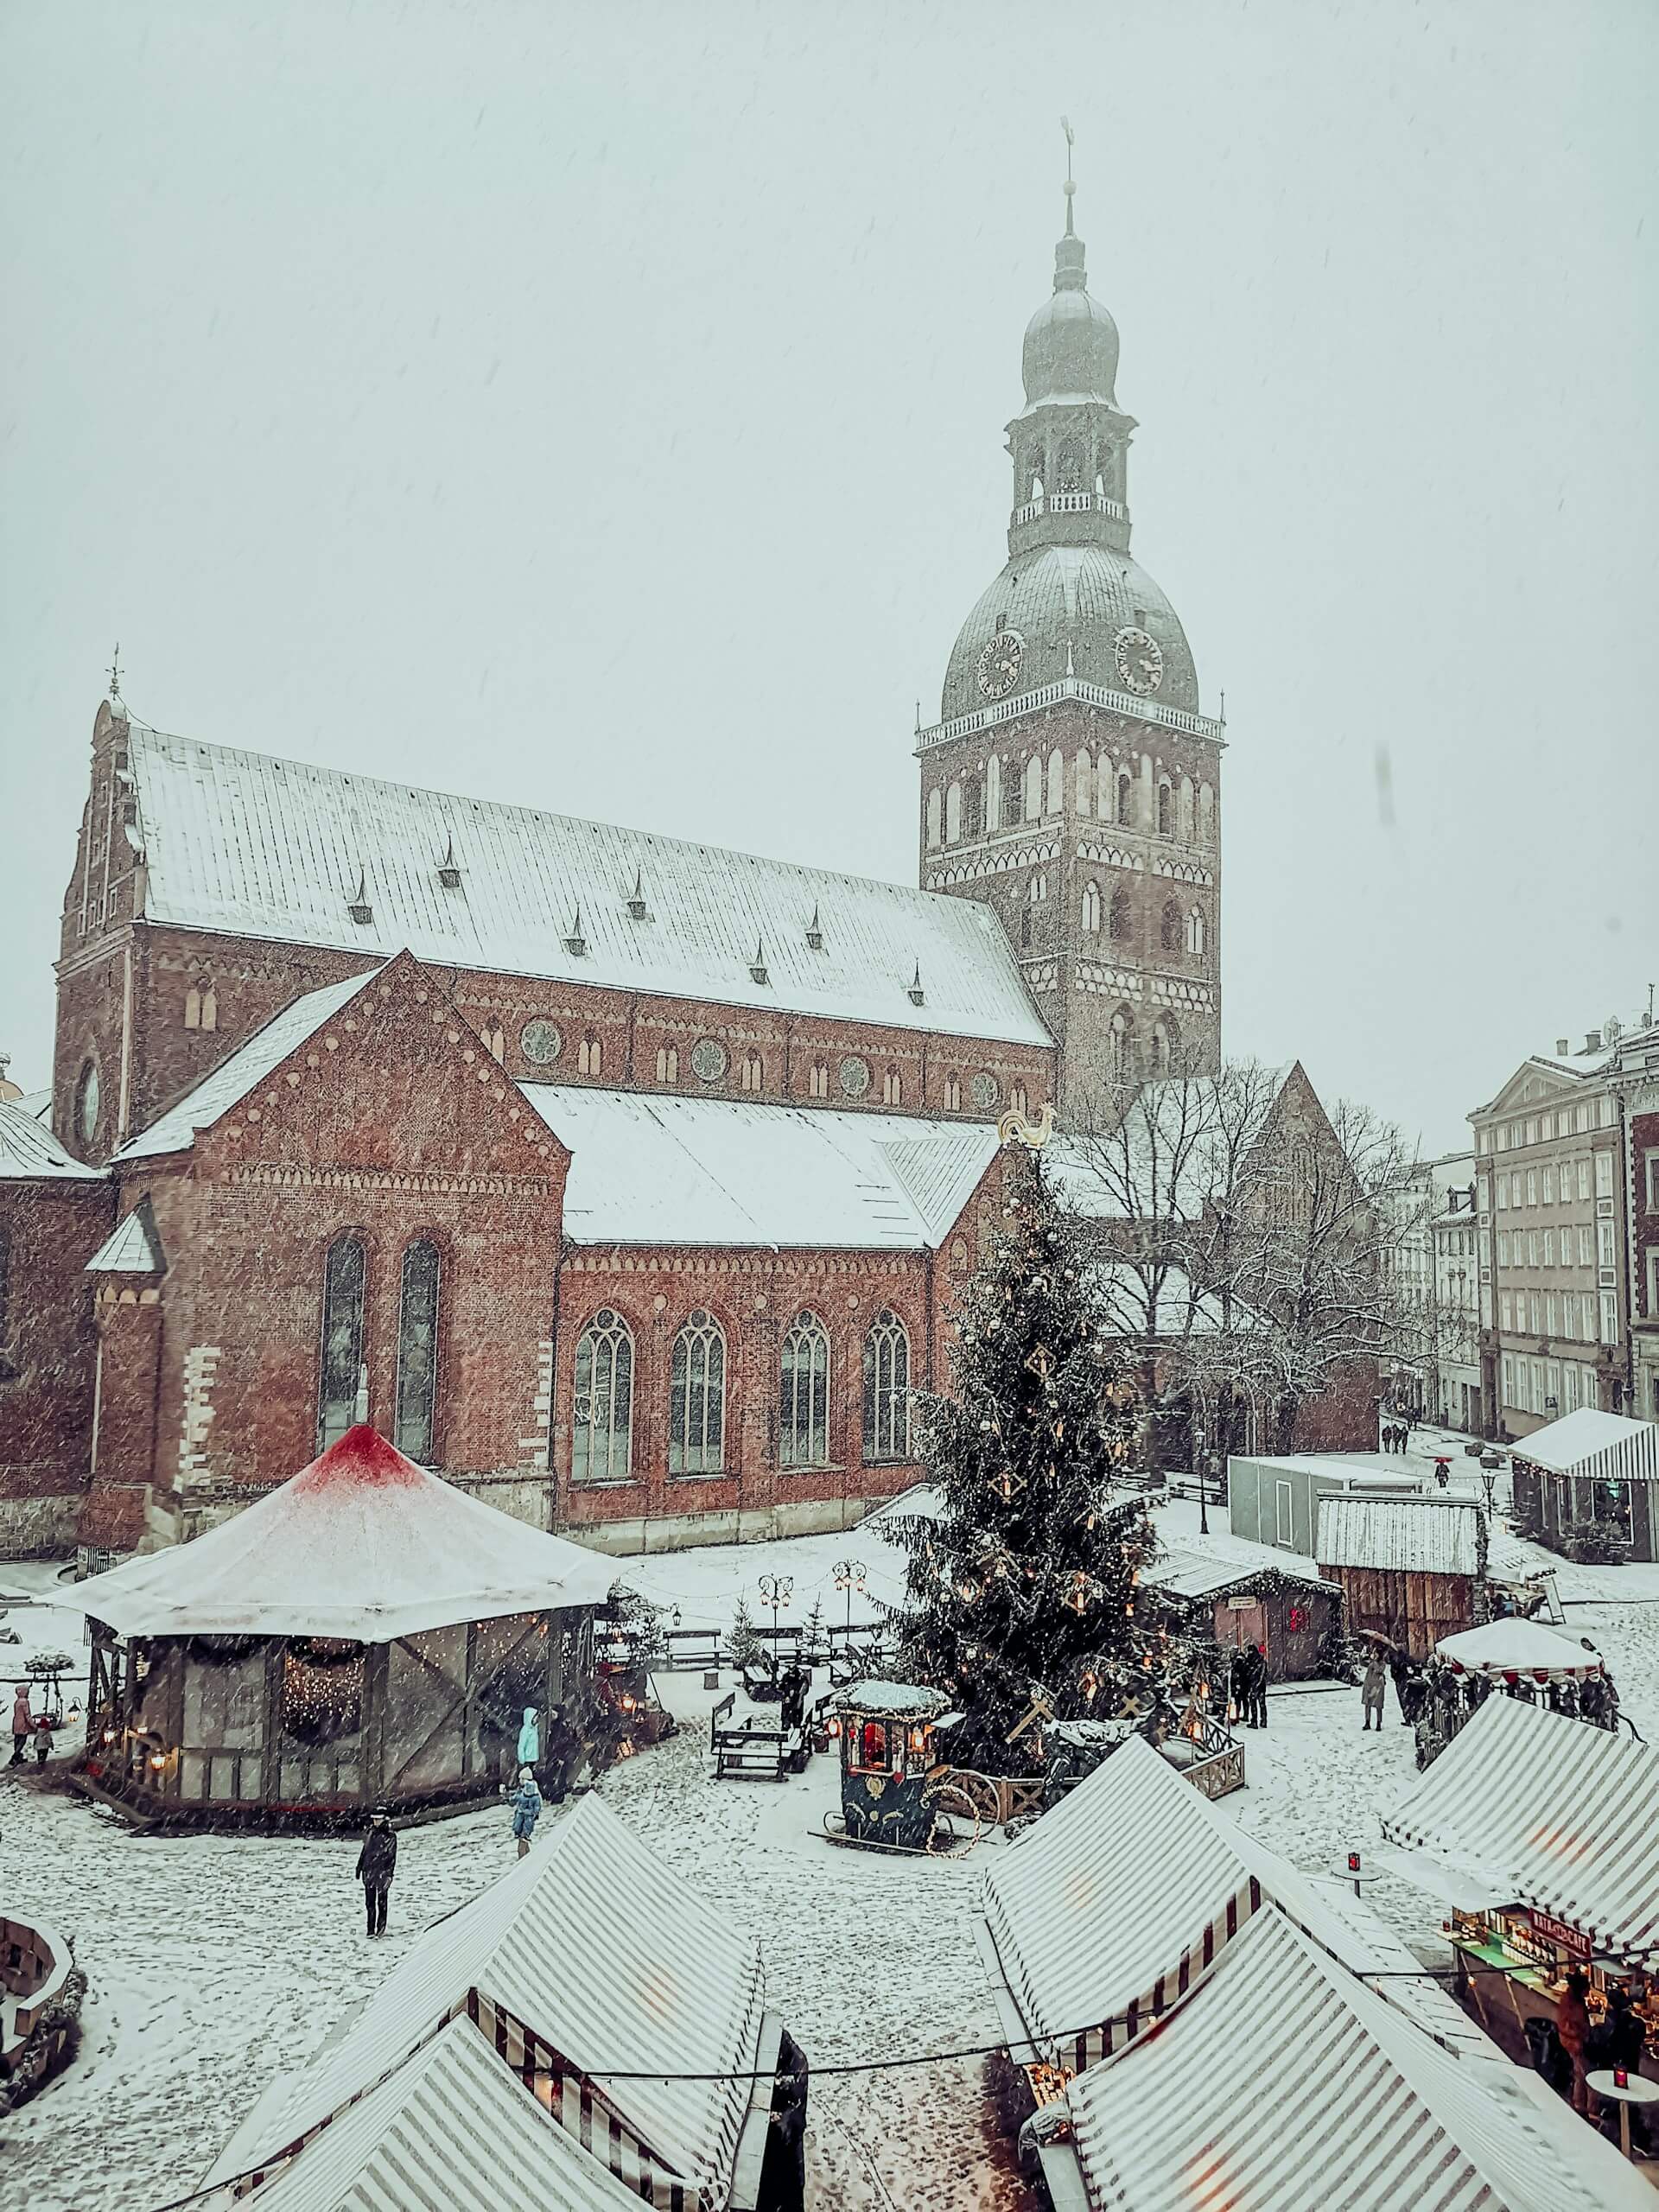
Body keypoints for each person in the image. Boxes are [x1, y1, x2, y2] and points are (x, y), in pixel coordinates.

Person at [355, 1807, 397, 1936]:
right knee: (369, 1903)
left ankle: (380, 1928)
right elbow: (365, 1851)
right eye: (374, 1819)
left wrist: (389, 1875)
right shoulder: (370, 1833)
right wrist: (359, 1866)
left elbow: (391, 1857)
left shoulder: (390, 1836)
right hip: (369, 1872)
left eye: (378, 1819)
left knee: (382, 1902)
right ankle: (370, 1929)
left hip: (382, 1873)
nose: (375, 1822)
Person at [1556, 1967, 1592, 2115]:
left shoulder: (1568, 1999)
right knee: (1582, 2074)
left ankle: (1579, 2102)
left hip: (1569, 2041)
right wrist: (1586, 2035)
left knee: (1579, 2073)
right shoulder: (1574, 2006)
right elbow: (1577, 2027)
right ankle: (1581, 2105)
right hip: (1574, 2044)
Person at [506, 1764, 543, 1858]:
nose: (519, 1781)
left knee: (521, 1847)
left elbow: (513, 1801)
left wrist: (506, 1797)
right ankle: (528, 1861)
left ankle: (523, 1864)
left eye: (521, 1779)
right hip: (526, 1824)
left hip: (524, 1823)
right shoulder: (532, 1792)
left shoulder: (524, 1793)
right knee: (524, 1844)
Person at [1244, 1643, 1269, 1730]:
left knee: (1253, 1703)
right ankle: (1263, 1721)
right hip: (1261, 1685)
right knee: (1262, 1704)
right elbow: (1265, 1673)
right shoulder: (1262, 1661)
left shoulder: (1250, 1660)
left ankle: (1254, 1721)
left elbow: (1247, 1673)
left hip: (1254, 1685)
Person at [1361, 1652, 1388, 1731]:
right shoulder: (1371, 1662)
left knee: (1378, 1705)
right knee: (1367, 1704)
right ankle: (1367, 1722)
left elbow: (1379, 1670)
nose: (1374, 1655)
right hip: (1369, 1683)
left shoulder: (1382, 1663)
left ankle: (1378, 1723)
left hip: (1378, 1685)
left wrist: (1374, 1662)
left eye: (1376, 1654)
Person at [9, 1685, 30, 1765]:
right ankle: (15, 1757)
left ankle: (17, 1757)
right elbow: (27, 1715)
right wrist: (33, 1725)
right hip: (22, 1723)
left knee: (17, 1740)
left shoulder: (17, 1701)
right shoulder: (25, 1702)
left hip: (16, 1722)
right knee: (22, 1741)